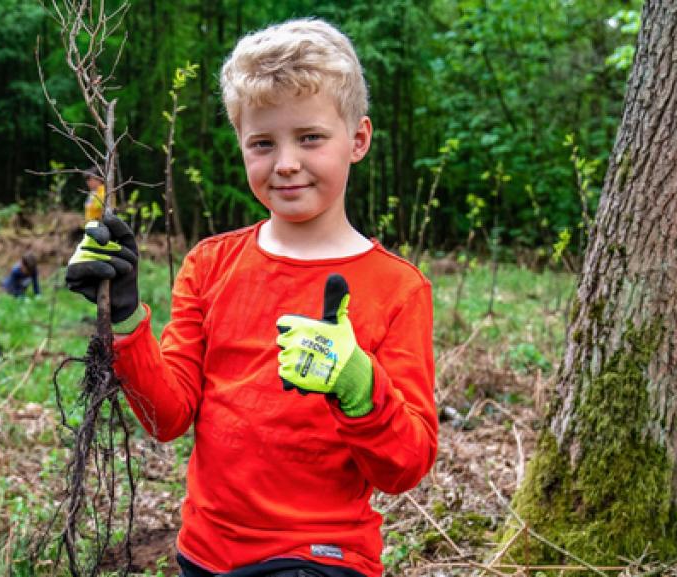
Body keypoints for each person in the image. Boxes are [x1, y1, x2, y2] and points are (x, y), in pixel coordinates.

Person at [65, 18, 436, 577]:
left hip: (322, 556)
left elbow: (404, 467)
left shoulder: (398, 288)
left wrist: (359, 383)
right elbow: (167, 417)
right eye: (263, 143)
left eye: (310, 137)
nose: (285, 162)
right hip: (206, 551)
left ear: (358, 139)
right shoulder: (211, 264)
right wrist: (123, 318)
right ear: (241, 145)